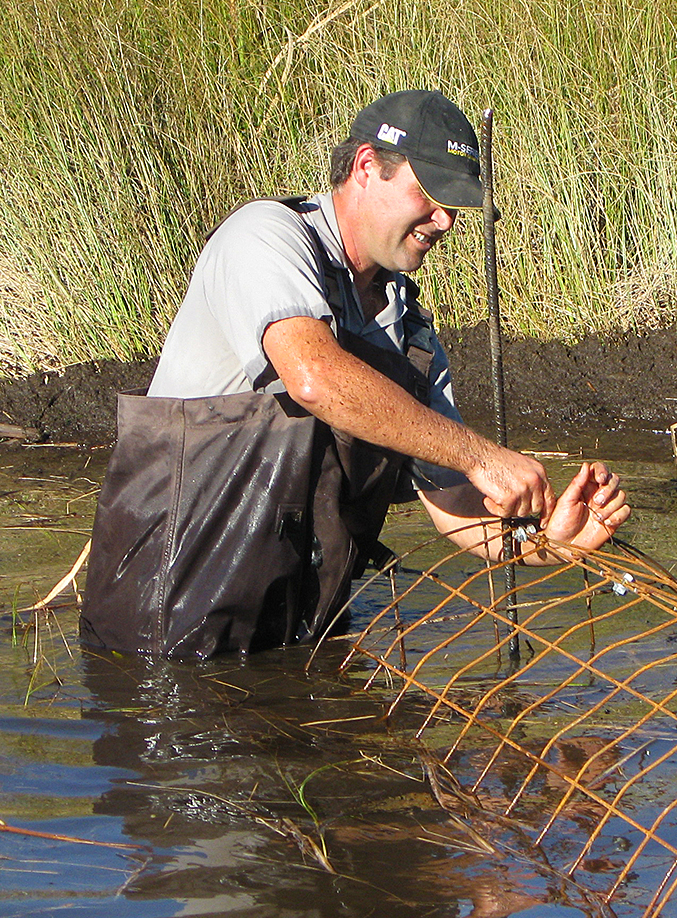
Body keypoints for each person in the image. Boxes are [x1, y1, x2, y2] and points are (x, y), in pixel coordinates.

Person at [81, 90, 629, 659]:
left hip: (292, 639)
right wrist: (480, 455)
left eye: (455, 206)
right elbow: (313, 375)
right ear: (367, 166)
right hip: (161, 625)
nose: (444, 221)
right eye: (431, 195)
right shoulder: (264, 236)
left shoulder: (408, 332)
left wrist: (550, 543)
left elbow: (454, 506)